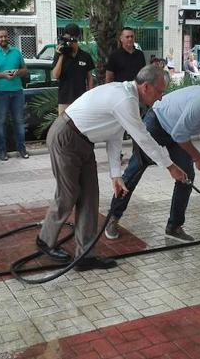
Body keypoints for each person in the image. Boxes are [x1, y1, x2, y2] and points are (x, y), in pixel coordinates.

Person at [37, 65, 187, 271]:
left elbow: (114, 136)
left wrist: (116, 175)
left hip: (83, 142)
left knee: (90, 198)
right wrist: (170, 167)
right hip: (66, 136)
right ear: (145, 87)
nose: (161, 97)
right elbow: (143, 137)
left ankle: (85, 256)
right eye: (160, 91)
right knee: (68, 194)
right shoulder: (125, 99)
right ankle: (45, 241)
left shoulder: (127, 98)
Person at [105, 85, 200, 241]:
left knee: (186, 176)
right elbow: (180, 134)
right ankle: (113, 218)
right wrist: (198, 158)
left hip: (177, 132)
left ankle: (174, 226)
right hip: (157, 122)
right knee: (135, 170)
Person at [0, 28, 29, 160]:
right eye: (0, 37)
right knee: (1, 122)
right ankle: (2, 151)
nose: (3, 39)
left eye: (5, 36)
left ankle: (22, 149)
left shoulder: (16, 52)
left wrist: (17, 72)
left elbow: (25, 70)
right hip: (0, 93)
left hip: (17, 92)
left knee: (19, 122)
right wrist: (3, 75)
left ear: (7, 37)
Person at [51, 23, 95, 115]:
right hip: (64, 100)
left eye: (71, 40)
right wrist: (61, 55)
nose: (69, 42)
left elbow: (90, 77)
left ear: (77, 38)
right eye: (66, 39)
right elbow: (55, 75)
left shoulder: (85, 56)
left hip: (81, 99)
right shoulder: (60, 55)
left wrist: (90, 95)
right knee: (63, 128)